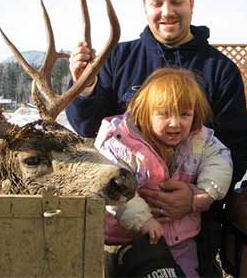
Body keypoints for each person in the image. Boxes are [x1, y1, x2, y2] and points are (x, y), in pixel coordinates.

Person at [66, 0, 247, 276]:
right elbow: (86, 128)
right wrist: (85, 86)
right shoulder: (117, 59)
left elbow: (235, 148)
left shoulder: (220, 70)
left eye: (177, 1)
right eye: (157, 3)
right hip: (118, 233)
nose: (167, 11)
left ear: (191, 2)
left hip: (192, 233)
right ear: (145, 6)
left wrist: (196, 197)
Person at [95, 68, 233, 278]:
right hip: (127, 240)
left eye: (185, 114)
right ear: (145, 112)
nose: (175, 123)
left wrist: (206, 192)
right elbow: (114, 188)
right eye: (164, 113)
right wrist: (143, 221)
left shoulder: (199, 139)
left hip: (180, 238)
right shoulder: (121, 144)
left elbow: (220, 159)